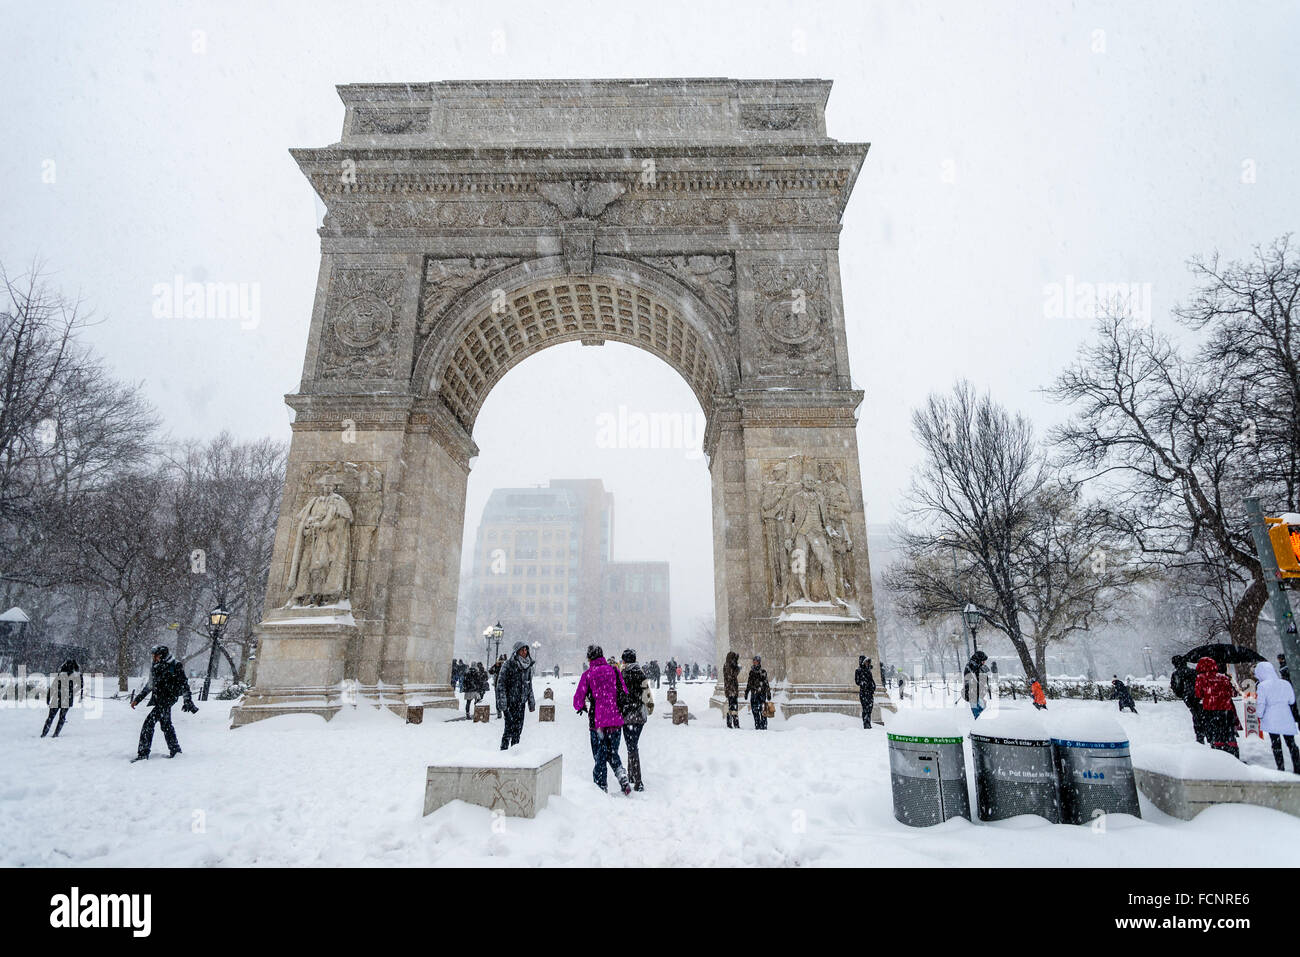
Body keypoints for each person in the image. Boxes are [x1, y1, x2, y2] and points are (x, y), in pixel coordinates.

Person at [573, 645, 632, 794]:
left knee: (599, 756)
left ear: (589, 657)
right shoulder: (614, 671)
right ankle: (622, 775)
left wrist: (580, 706)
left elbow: (578, 699)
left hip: (597, 722)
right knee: (612, 752)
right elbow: (624, 691)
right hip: (615, 719)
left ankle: (600, 789)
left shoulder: (588, 674)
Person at [130, 645, 197, 762]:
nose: (153, 658)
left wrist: (188, 701)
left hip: (168, 700)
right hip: (159, 699)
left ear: (161, 655)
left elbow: (184, 684)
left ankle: (143, 753)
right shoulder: (155, 666)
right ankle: (175, 750)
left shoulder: (175, 665)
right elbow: (150, 685)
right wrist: (138, 699)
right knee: (166, 725)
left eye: (155, 655)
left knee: (148, 724)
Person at [1254, 660, 1299, 772]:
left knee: (1276, 744)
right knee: (1291, 743)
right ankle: (1298, 767)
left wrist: (1259, 715)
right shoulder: (1285, 683)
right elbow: (1291, 700)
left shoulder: (1262, 686)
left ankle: (1281, 768)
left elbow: (1261, 704)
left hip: (1271, 718)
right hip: (1286, 716)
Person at [617, 649, 653, 791]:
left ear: (625, 660)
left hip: (627, 716)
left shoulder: (623, 674)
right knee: (633, 745)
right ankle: (632, 775)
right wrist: (648, 709)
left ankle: (638, 781)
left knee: (631, 746)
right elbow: (647, 695)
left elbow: (620, 695)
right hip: (639, 716)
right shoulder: (641, 673)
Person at [1195, 656, 1240, 758]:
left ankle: (1219, 755)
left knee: (1216, 733)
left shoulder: (1201, 678)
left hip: (1211, 710)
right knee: (1229, 733)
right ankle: (1233, 754)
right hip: (1226, 710)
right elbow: (1233, 693)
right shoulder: (1223, 677)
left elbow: (1198, 694)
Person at [498, 642, 536, 750]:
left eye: (526, 650)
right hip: (510, 703)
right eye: (522, 650)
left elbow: (529, 685)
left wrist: (531, 702)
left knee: (518, 730)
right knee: (508, 730)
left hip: (521, 703)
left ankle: (515, 752)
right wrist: (503, 705)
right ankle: (503, 752)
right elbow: (501, 685)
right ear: (516, 651)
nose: (525, 652)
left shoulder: (528, 666)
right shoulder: (508, 664)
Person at [42, 658, 83, 738]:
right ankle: (56, 733)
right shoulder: (76, 676)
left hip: (57, 697)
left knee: (51, 716)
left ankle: (44, 733)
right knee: (62, 717)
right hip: (67, 699)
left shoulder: (61, 674)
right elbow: (80, 686)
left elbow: (53, 686)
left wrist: (48, 697)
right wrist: (74, 691)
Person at [1169, 655, 1204, 743]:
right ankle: (1205, 732)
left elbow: (1175, 687)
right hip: (1198, 696)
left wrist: (1182, 695)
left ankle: (1199, 736)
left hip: (1188, 697)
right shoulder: (1193, 672)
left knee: (1195, 715)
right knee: (1201, 714)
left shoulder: (1176, 674)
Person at [744, 655, 771, 730]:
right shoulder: (751, 672)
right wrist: (746, 692)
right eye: (753, 661)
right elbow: (749, 683)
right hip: (754, 694)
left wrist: (768, 693)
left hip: (762, 694)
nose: (754, 662)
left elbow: (766, 683)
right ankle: (757, 724)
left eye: (755, 661)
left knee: (763, 711)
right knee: (755, 711)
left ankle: (764, 725)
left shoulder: (763, 672)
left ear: (758, 662)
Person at [962, 650, 990, 720]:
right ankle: (976, 725)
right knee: (977, 711)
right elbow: (974, 678)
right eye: (983, 660)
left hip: (976, 692)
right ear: (979, 659)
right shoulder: (972, 665)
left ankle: (977, 724)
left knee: (981, 708)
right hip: (972, 692)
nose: (984, 662)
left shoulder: (976, 665)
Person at [854, 655, 876, 729]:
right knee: (865, 709)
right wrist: (863, 683)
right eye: (866, 661)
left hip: (870, 692)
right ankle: (866, 724)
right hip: (863, 692)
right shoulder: (858, 670)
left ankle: (868, 723)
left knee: (870, 709)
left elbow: (871, 680)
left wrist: (873, 686)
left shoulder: (868, 670)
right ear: (862, 662)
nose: (867, 663)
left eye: (868, 661)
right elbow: (857, 681)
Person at [723, 651, 741, 729]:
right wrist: (737, 669)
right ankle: (733, 723)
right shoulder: (728, 666)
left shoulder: (728, 665)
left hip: (731, 689)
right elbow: (732, 675)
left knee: (732, 707)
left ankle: (731, 723)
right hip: (731, 690)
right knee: (733, 707)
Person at [489, 655, 507, 719]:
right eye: (501, 661)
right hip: (497, 686)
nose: (502, 663)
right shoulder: (497, 666)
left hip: (505, 686)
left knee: (505, 700)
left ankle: (505, 714)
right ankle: (499, 714)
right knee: (498, 700)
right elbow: (490, 671)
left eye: (503, 661)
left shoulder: (507, 667)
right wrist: (495, 665)